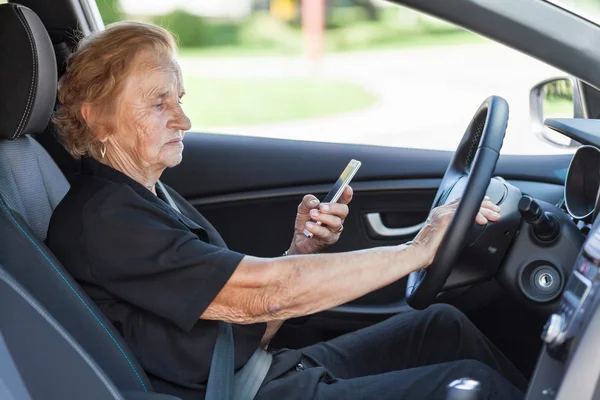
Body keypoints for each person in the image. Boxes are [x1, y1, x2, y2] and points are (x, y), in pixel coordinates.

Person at [47, 21, 527, 400]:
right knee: (471, 388)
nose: (185, 120)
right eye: (158, 104)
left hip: (259, 371)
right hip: (240, 392)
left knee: (442, 326)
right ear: (96, 116)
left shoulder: (147, 196)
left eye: (181, 100)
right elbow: (266, 296)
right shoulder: (106, 219)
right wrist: (422, 248)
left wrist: (302, 249)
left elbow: (242, 310)